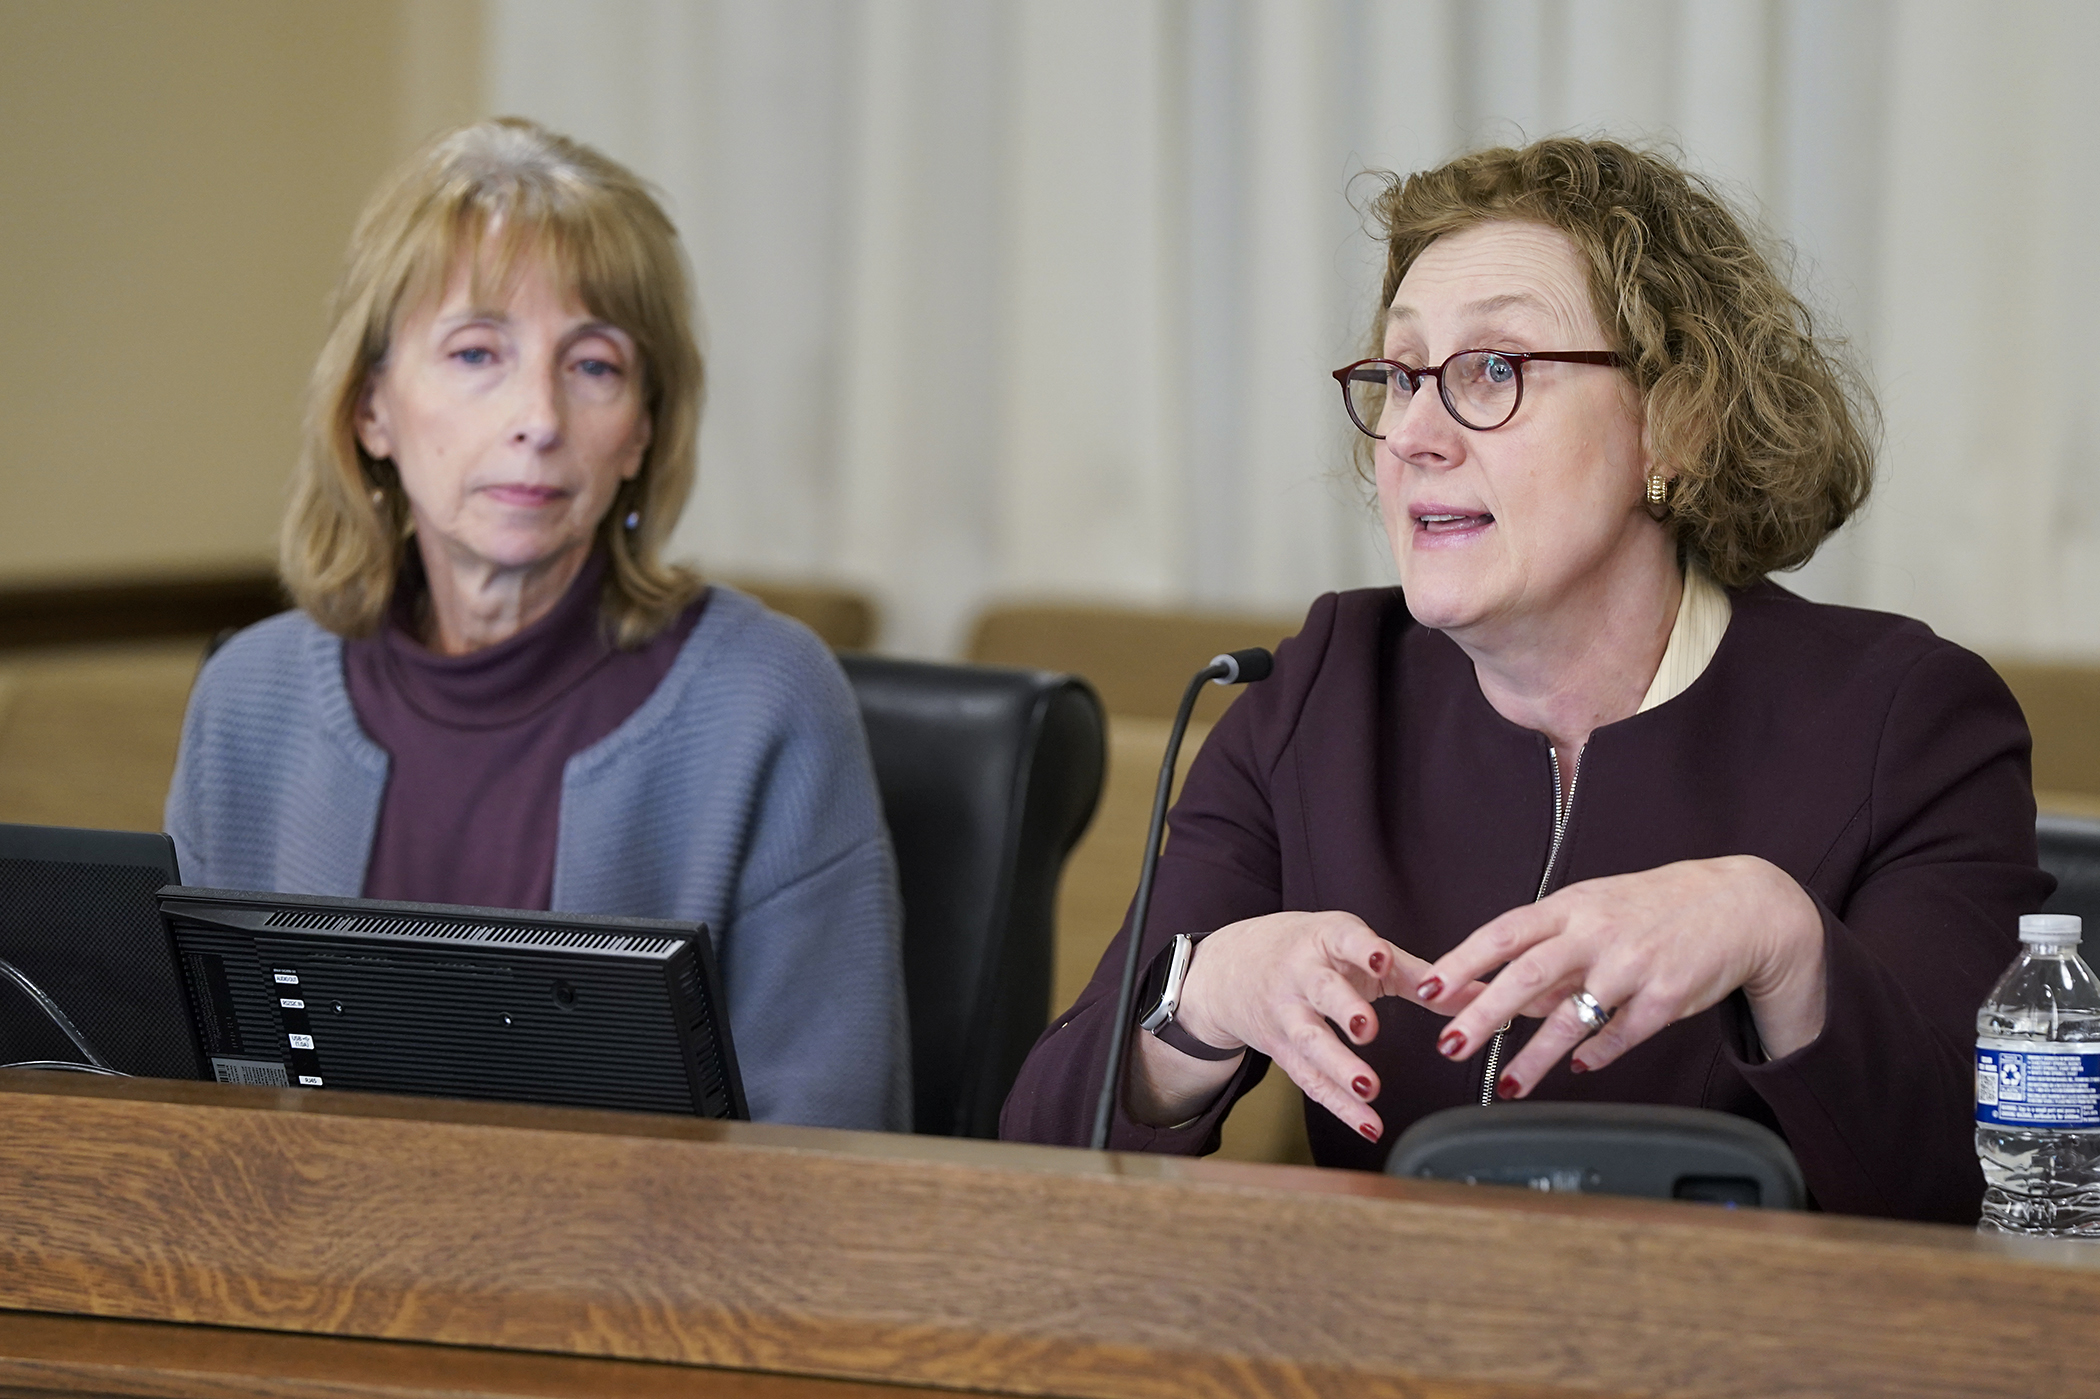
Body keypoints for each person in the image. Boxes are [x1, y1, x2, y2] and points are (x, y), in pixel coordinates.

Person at [1000, 137, 2050, 1223]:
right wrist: (1203, 1003)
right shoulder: (1321, 692)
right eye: (1399, 377)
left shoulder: (1907, 720)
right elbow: (1036, 1155)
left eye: (1493, 368)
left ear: (1676, 423)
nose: (1412, 434)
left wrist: (1782, 940)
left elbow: (1982, 1198)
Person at [166, 118, 910, 1133]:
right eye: (478, 352)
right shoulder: (248, 701)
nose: (541, 418)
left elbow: (831, 1149)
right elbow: (183, 1111)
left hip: (651, 1286)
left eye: (594, 365)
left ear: (644, 427)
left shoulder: (768, 701)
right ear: (370, 409)